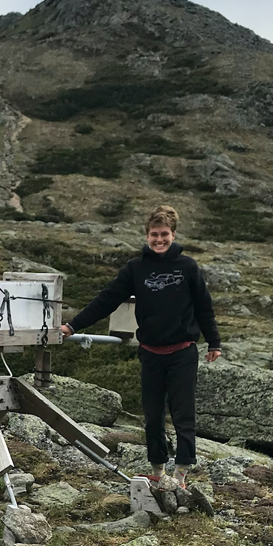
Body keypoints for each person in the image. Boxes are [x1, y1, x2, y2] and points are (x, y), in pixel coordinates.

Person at [59, 204, 222, 489]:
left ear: (173, 234)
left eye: (164, 234)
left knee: (183, 414)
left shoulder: (188, 267)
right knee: (153, 416)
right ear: (147, 236)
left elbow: (204, 307)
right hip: (151, 354)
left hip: (183, 352)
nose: (159, 240)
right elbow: (106, 300)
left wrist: (214, 342)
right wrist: (73, 326)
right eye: (154, 234)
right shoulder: (136, 268)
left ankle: (181, 474)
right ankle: (158, 471)